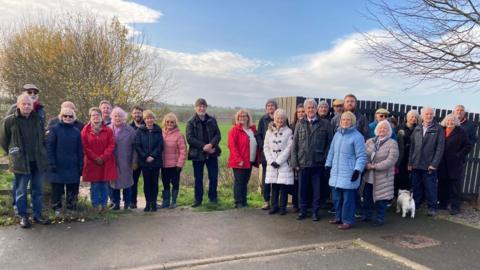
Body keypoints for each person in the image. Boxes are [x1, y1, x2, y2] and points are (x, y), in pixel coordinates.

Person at [0, 94, 50, 228]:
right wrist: (14, 154)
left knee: (38, 190)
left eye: (29, 104)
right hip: (21, 162)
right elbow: (4, 141)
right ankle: (23, 216)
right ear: (18, 105)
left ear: (32, 105)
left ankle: (37, 215)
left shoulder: (38, 119)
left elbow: (42, 139)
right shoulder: (10, 120)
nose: (27, 106)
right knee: (21, 191)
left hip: (37, 161)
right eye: (24, 104)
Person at [291, 99, 333, 221]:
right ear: (305, 110)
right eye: (308, 108)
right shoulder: (300, 124)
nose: (310, 110)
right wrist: (295, 162)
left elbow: (330, 144)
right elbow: (295, 144)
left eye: (312, 107)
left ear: (316, 109)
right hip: (302, 162)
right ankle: (303, 210)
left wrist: (325, 159)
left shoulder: (325, 124)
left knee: (317, 190)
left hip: (318, 163)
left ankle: (315, 211)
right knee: (302, 189)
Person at [325, 111, 367, 230]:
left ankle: (348, 220)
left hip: (349, 173)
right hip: (336, 173)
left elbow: (361, 156)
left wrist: (357, 170)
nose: (345, 122)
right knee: (337, 198)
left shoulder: (357, 136)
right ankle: (338, 217)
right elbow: (331, 151)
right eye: (343, 119)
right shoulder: (337, 135)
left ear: (352, 121)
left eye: (348, 120)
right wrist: (328, 165)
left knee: (348, 200)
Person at [362, 120, 399, 226]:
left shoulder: (393, 143)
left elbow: (391, 160)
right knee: (367, 196)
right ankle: (367, 216)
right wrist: (367, 164)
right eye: (380, 128)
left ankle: (380, 218)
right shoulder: (369, 141)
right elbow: (363, 155)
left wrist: (375, 166)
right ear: (376, 130)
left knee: (381, 199)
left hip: (383, 176)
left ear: (389, 131)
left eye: (385, 128)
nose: (382, 130)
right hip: (369, 175)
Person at [408, 107, 445, 216]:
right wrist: (410, 162)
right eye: (426, 114)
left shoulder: (438, 129)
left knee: (431, 188)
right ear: (422, 116)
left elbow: (440, 148)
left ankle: (432, 208)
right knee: (416, 186)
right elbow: (412, 147)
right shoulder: (417, 128)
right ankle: (416, 205)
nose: (429, 116)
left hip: (429, 165)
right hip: (416, 164)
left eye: (431, 114)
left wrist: (434, 164)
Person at [46, 107, 83, 214]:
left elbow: (80, 150)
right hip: (58, 164)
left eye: (70, 116)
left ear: (73, 117)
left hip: (72, 165)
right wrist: (51, 162)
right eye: (65, 116)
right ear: (61, 117)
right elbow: (50, 147)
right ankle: (57, 208)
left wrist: (81, 165)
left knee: (72, 188)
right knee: (57, 189)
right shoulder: (54, 129)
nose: (67, 118)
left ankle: (71, 208)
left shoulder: (76, 132)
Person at [186, 98, 221, 207]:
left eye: (203, 106)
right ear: (195, 108)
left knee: (214, 177)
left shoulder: (212, 120)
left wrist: (211, 145)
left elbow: (218, 135)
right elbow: (190, 138)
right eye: (199, 106)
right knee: (198, 179)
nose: (201, 108)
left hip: (212, 153)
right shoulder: (190, 122)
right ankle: (198, 200)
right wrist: (204, 146)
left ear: (206, 107)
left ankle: (213, 198)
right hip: (197, 154)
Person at [81, 107, 117, 212]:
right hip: (92, 162)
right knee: (95, 185)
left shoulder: (108, 130)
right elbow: (85, 146)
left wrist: (103, 157)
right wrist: (95, 157)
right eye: (93, 115)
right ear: (90, 117)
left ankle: (104, 205)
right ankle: (95, 205)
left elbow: (111, 145)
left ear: (101, 117)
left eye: (98, 115)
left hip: (105, 162)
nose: (96, 117)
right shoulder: (85, 130)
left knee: (105, 185)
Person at [437, 114, 472, 215]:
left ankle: (455, 207)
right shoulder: (441, 130)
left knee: (454, 187)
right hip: (442, 163)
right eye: (448, 120)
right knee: (442, 184)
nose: (450, 122)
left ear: (456, 122)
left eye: (452, 121)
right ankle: (442, 204)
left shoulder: (461, 132)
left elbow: (468, 146)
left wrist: (459, 155)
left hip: (455, 163)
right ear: (445, 121)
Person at [264, 109, 294, 215]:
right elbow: (266, 147)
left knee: (283, 187)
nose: (280, 120)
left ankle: (282, 207)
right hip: (272, 164)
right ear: (274, 119)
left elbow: (289, 148)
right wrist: (271, 161)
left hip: (283, 164)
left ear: (285, 119)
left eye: (282, 118)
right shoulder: (269, 131)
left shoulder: (289, 131)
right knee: (274, 187)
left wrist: (279, 161)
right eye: (278, 118)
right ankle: (274, 206)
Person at [227, 109, 259, 208]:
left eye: (244, 116)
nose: (242, 118)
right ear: (237, 118)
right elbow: (232, 146)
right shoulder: (234, 130)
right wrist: (238, 159)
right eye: (240, 116)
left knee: (245, 181)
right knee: (239, 182)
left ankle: (244, 201)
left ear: (248, 118)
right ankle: (238, 202)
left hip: (249, 160)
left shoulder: (252, 130)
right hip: (239, 161)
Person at [135, 110, 163, 211]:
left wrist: (153, 156)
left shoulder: (159, 130)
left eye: (151, 118)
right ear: (144, 119)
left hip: (156, 162)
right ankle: (148, 204)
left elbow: (160, 146)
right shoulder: (139, 131)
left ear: (154, 119)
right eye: (147, 118)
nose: (149, 120)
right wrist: (145, 156)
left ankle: (154, 203)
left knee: (154, 183)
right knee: (147, 183)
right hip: (144, 162)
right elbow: (137, 145)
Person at [109, 107, 137, 210]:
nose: (117, 118)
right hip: (112, 160)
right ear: (112, 117)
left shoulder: (130, 130)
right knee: (114, 182)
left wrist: (134, 161)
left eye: (120, 116)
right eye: (115, 116)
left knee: (127, 183)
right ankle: (116, 203)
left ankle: (127, 204)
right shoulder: (108, 128)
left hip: (126, 160)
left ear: (124, 117)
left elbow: (135, 147)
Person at [161, 113, 187, 209]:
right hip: (163, 165)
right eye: (167, 122)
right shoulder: (160, 133)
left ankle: (174, 202)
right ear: (165, 122)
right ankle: (166, 202)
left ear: (175, 123)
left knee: (175, 183)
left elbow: (183, 151)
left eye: (172, 122)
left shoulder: (179, 135)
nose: (169, 123)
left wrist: (180, 164)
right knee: (165, 183)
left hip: (175, 165)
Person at [256, 99, 277, 210]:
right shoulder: (263, 120)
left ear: (275, 107)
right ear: (266, 108)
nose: (270, 107)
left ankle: (275, 201)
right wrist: (263, 147)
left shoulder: (281, 118)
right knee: (267, 179)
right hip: (266, 155)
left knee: (277, 180)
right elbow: (258, 135)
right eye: (268, 105)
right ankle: (266, 201)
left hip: (278, 155)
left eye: (272, 105)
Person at [395, 110, 420, 195]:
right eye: (411, 117)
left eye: (415, 117)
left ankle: (407, 195)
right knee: (399, 177)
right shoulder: (399, 128)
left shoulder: (418, 129)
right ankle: (397, 196)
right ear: (407, 117)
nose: (413, 119)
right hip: (401, 156)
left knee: (410, 178)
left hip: (413, 156)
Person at [288, 104, 305, 212]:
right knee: (295, 182)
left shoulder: (308, 124)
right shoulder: (292, 126)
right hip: (294, 157)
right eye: (299, 112)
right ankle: (295, 204)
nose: (301, 113)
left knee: (303, 183)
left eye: (303, 111)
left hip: (304, 158)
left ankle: (303, 204)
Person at [129, 106, 145, 208]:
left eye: (139, 113)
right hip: (134, 159)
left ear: (142, 114)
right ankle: (132, 202)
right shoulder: (128, 127)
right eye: (135, 113)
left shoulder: (148, 124)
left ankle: (150, 202)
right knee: (133, 182)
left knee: (149, 181)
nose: (137, 115)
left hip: (146, 158)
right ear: (132, 114)